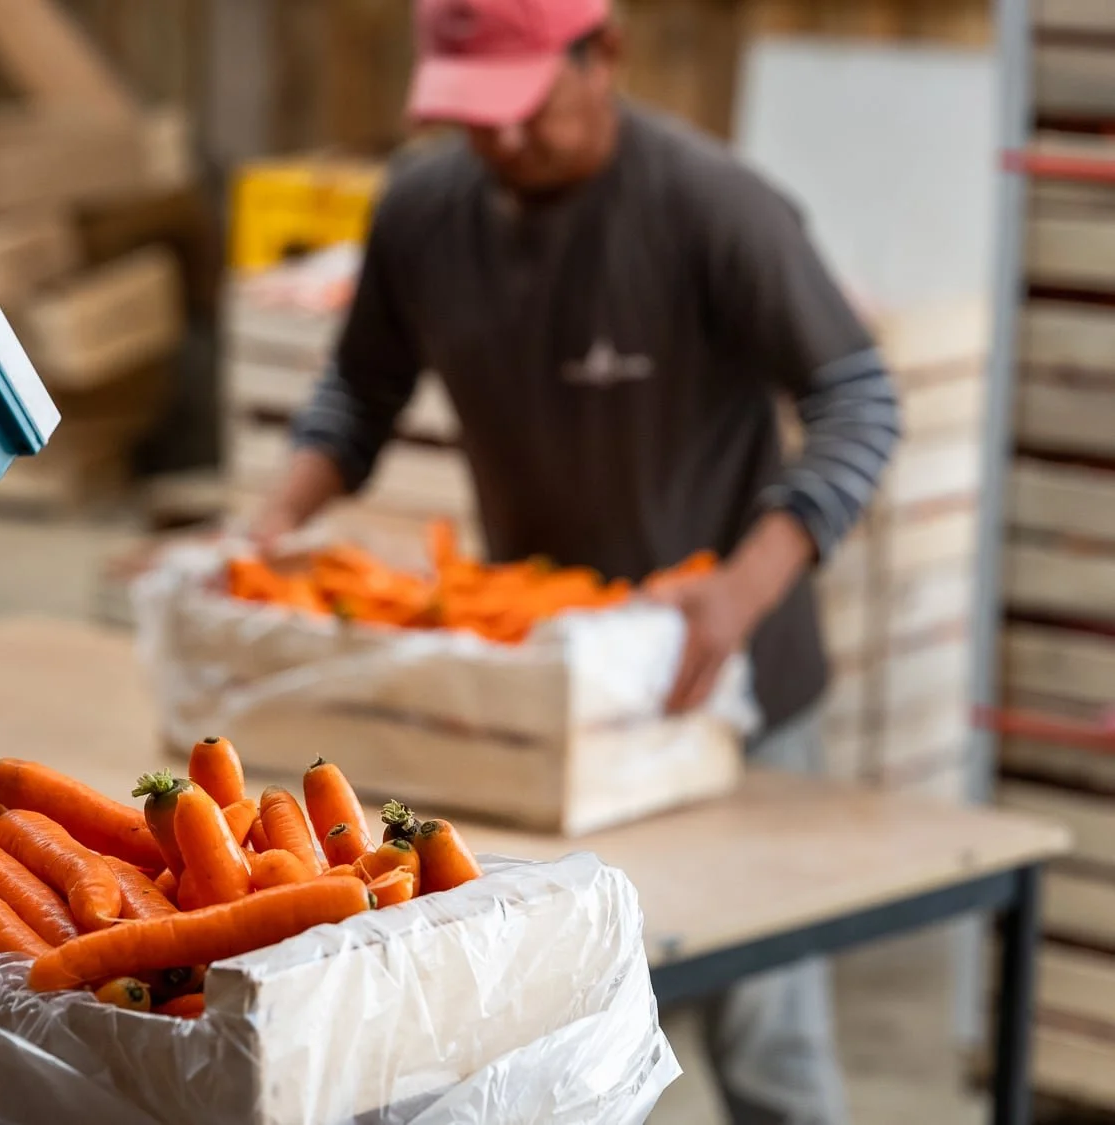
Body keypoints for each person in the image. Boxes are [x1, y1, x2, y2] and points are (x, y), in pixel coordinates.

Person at [251, 0, 899, 1120]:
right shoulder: (422, 212)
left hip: (726, 686)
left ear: (604, 56)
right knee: (555, 1037)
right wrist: (263, 530)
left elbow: (859, 400)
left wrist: (744, 591)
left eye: (523, 110)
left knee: (767, 1049)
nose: (499, 142)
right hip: (542, 693)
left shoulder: (711, 207)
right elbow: (360, 389)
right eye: (472, 117)